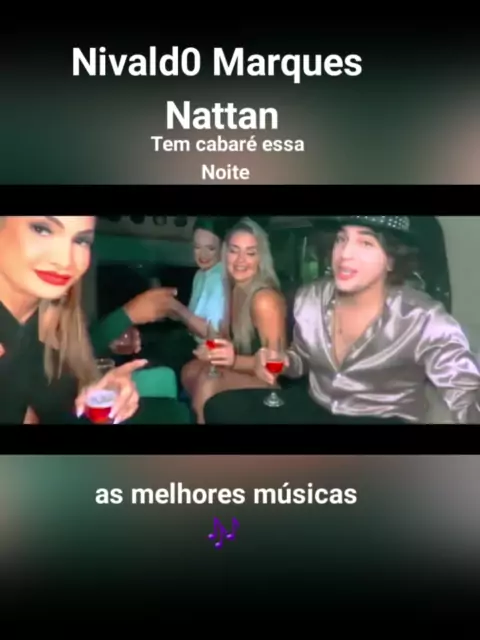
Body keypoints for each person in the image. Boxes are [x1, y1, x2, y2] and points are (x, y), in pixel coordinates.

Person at [245, 214, 480, 424]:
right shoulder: (310, 299)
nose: (345, 254)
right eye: (341, 239)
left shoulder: (423, 318)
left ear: (391, 259)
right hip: (316, 414)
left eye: (366, 243)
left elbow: (465, 393)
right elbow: (301, 359)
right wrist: (284, 360)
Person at [0, 215, 146, 425]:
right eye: (42, 229)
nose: (65, 261)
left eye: (81, 240)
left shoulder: (54, 316)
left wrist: (96, 398)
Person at [181, 217, 287, 423]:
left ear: (261, 258)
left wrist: (234, 360)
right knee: (191, 369)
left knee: (208, 382)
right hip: (243, 373)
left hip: (268, 386)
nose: (240, 260)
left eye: (250, 253)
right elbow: (227, 341)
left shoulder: (264, 300)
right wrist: (214, 351)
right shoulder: (233, 288)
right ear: (225, 253)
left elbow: (278, 366)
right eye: (234, 251)